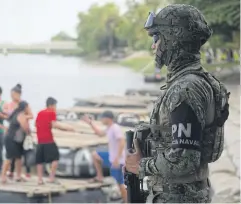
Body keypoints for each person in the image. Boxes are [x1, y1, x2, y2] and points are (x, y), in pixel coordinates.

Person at [125, 5, 230, 203]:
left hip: (177, 198)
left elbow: (184, 160)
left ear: (173, 40)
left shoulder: (186, 89)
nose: (153, 46)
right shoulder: (199, 82)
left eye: (157, 37)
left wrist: (141, 165)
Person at [82, 111, 127, 203]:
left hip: (119, 160)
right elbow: (99, 133)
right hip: (111, 157)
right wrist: (90, 123)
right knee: (95, 155)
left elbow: (122, 142)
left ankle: (127, 201)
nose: (101, 120)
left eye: (102, 118)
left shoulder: (115, 128)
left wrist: (117, 159)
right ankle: (99, 177)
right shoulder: (109, 128)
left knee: (120, 184)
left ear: (108, 118)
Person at [35, 97, 75, 184]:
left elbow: (36, 124)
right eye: (55, 106)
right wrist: (68, 128)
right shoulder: (51, 112)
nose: (56, 108)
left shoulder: (40, 113)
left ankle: (39, 179)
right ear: (51, 105)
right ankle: (51, 178)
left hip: (39, 140)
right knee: (55, 157)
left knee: (39, 160)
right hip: (48, 139)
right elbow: (55, 124)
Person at [5, 84, 33, 178]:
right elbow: (10, 117)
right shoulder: (11, 104)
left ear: (18, 94)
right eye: (11, 94)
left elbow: (31, 115)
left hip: (22, 129)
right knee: (14, 152)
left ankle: (27, 172)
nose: (12, 96)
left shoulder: (24, 104)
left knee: (22, 152)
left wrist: (22, 117)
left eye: (13, 94)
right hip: (13, 130)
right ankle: (12, 172)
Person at [1, 101, 31, 183]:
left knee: (18, 158)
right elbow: (25, 127)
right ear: (25, 107)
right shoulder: (20, 115)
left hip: (17, 140)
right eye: (28, 107)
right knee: (9, 158)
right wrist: (29, 133)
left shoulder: (17, 113)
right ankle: (3, 176)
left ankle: (18, 176)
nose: (29, 109)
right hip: (12, 139)